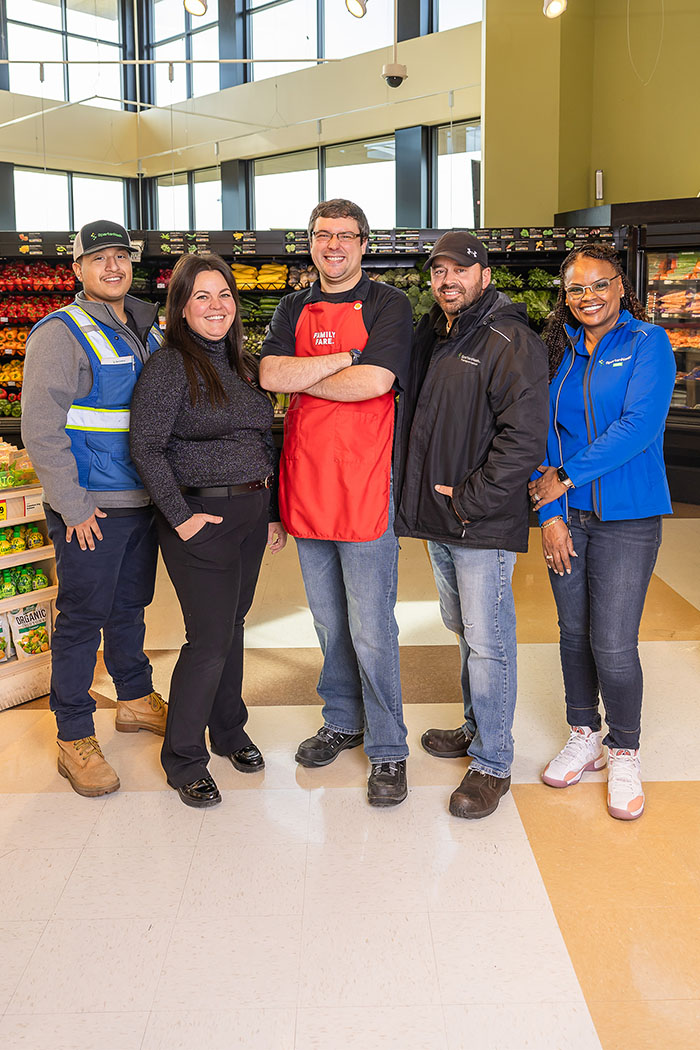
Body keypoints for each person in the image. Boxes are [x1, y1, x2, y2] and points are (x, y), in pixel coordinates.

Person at [259, 199, 413, 807]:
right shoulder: (291, 304)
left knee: (372, 626)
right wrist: (346, 360)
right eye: (323, 235)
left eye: (346, 236)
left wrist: (308, 373)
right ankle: (342, 717)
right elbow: (269, 374)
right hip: (308, 479)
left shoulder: (389, 305)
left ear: (363, 244)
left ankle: (388, 747)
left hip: (367, 481)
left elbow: (377, 382)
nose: (334, 246)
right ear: (312, 243)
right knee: (327, 620)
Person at [394, 231, 549, 819]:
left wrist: (469, 499)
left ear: (484, 274)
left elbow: (524, 438)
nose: (447, 280)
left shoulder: (510, 339)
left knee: (489, 640)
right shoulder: (436, 334)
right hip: (443, 518)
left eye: (460, 269)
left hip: (478, 518)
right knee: (463, 626)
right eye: (438, 271)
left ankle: (493, 762)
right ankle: (475, 724)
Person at [130, 254, 285, 809]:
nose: (216, 306)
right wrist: (182, 517)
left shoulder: (246, 366)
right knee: (209, 640)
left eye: (224, 295)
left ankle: (230, 730)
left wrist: (270, 510)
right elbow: (145, 447)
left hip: (249, 513)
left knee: (233, 627)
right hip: (200, 520)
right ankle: (185, 758)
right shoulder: (169, 367)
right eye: (201, 296)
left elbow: (262, 440)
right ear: (181, 307)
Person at [529, 243, 676, 821]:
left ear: (621, 288)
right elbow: (541, 436)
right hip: (567, 517)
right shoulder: (556, 354)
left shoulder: (648, 344)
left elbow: (638, 427)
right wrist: (550, 513)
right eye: (575, 289)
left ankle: (624, 749)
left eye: (599, 285)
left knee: (612, 642)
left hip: (626, 519)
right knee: (572, 632)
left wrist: (565, 478)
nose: (587, 297)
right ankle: (583, 733)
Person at [21, 220, 167, 798]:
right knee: (82, 619)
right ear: (77, 269)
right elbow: (41, 428)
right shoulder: (58, 333)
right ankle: (74, 735)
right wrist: (74, 505)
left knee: (130, 607)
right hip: (92, 507)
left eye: (122, 258)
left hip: (143, 500)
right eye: (99, 259)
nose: (113, 267)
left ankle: (133, 697)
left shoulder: (148, 325)